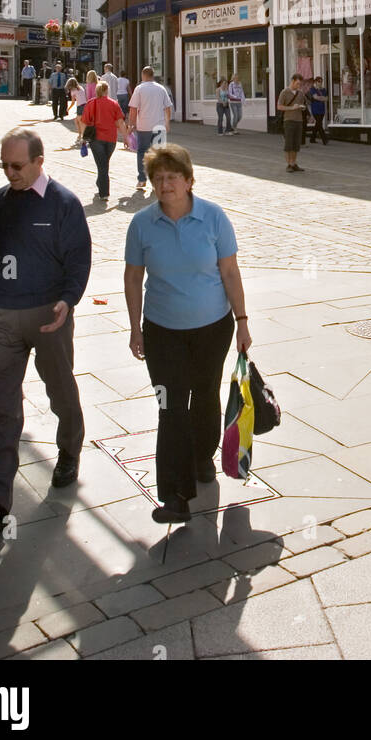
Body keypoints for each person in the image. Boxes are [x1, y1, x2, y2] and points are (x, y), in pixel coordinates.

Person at [0, 128, 91, 530]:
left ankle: (69, 449)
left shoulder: (64, 204)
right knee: (1, 407)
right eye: (4, 165)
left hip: (49, 317)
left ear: (39, 162)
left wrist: (69, 299)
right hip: (3, 318)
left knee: (60, 389)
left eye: (17, 166)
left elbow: (78, 259)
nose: (9, 173)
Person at [123, 144, 251, 524]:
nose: (165, 185)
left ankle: (202, 458)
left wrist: (242, 321)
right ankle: (176, 496)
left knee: (206, 395)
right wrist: (135, 328)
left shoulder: (213, 218)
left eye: (172, 178)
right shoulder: (142, 224)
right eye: (158, 179)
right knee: (171, 406)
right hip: (162, 331)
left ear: (189, 181)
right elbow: (133, 277)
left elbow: (229, 272)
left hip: (212, 328)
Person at [128, 65, 174, 192]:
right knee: (159, 154)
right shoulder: (161, 89)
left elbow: (133, 108)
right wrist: (167, 122)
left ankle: (142, 179)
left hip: (143, 126)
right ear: (153, 75)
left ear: (143, 75)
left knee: (142, 151)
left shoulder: (139, 89)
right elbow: (168, 107)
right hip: (159, 126)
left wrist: (131, 125)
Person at [81, 80, 128, 201]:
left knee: (102, 165)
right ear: (107, 90)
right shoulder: (114, 104)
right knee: (104, 164)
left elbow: (84, 122)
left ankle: (104, 192)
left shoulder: (91, 103)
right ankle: (101, 185)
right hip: (111, 139)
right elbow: (120, 122)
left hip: (96, 139)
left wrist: (83, 137)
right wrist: (125, 138)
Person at [278, 73, 306, 173]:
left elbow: (303, 104)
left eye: (300, 84)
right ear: (293, 81)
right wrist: (291, 108)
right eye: (298, 83)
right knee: (289, 144)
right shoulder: (284, 92)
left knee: (296, 144)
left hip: (299, 120)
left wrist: (302, 108)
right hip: (288, 120)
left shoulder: (301, 93)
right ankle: (289, 164)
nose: (299, 86)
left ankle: (294, 163)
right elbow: (279, 106)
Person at [307, 76, 329, 145]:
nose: (320, 83)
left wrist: (320, 98)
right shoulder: (312, 89)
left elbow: (326, 99)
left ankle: (312, 139)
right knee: (319, 124)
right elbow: (315, 97)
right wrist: (322, 98)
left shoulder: (324, 90)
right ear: (315, 82)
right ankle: (324, 139)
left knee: (317, 124)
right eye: (319, 81)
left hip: (322, 109)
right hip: (315, 109)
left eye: (321, 81)